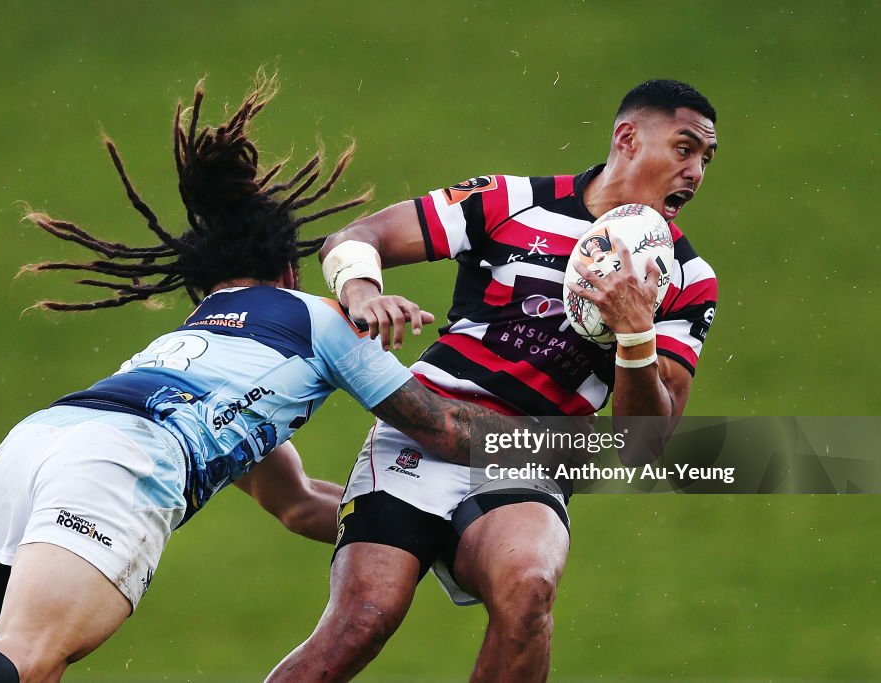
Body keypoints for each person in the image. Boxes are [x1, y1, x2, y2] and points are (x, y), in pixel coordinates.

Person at [0, 75, 560, 683]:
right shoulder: (317, 318)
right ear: (289, 267)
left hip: (38, 442)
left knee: (28, 667)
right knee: (28, 657)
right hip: (123, 461)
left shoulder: (197, 353)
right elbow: (446, 428)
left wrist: (415, 526)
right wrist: (600, 447)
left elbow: (300, 504)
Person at [269, 79, 719, 682]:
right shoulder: (511, 201)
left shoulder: (687, 278)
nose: (695, 172)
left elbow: (645, 443)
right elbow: (358, 237)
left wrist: (635, 334)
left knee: (528, 591)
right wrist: (361, 291)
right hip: (421, 433)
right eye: (685, 149)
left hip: (529, 455)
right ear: (628, 138)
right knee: (360, 624)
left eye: (705, 160)